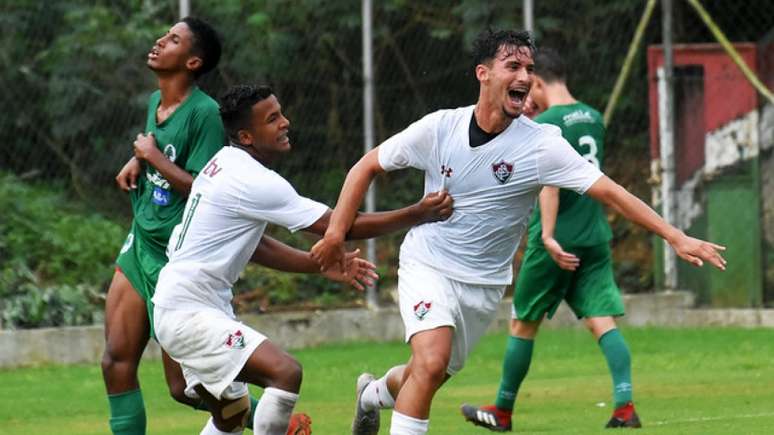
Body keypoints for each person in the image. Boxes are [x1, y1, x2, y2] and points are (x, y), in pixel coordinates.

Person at [309, 29, 726, 435]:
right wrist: (334, 236)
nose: (525, 76)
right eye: (513, 65)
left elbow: (610, 192)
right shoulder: (439, 129)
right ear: (483, 74)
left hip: (484, 284)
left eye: (528, 67)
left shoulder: (542, 144)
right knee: (432, 362)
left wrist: (675, 236)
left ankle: (372, 395)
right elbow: (365, 167)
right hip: (428, 263)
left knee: (426, 374)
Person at [152, 84, 453, 435]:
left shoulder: (224, 162)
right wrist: (417, 213)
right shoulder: (252, 179)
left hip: (182, 305)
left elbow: (257, 245)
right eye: (272, 119)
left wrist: (319, 265)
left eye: (281, 113)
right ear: (247, 135)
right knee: (284, 373)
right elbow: (340, 226)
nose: (285, 122)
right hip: (187, 310)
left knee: (232, 415)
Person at [460, 47, 642, 431]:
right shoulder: (592, 116)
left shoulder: (549, 125)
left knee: (523, 323)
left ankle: (502, 412)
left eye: (529, 87)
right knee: (601, 320)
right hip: (593, 234)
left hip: (557, 236)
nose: (527, 98)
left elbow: (549, 184)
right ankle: (625, 406)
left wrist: (546, 234)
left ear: (538, 82)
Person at [102, 16, 238, 435]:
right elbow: (158, 145)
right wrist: (138, 159)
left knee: (183, 388)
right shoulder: (155, 102)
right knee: (115, 361)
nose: (160, 42)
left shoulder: (207, 114)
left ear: (193, 62)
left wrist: (152, 157)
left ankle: (274, 419)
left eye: (173, 39)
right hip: (141, 241)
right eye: (164, 36)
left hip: (177, 259)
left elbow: (205, 189)